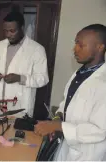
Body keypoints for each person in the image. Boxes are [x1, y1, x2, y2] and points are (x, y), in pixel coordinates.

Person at [34, 24, 106, 161]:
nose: (75, 49)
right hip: (68, 148)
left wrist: (59, 126)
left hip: (89, 154)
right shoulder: (79, 74)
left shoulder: (103, 82)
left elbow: (100, 131)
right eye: (75, 44)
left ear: (99, 47)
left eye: (81, 45)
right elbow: (66, 103)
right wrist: (58, 117)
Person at [0, 11, 49, 117]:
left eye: (12, 31)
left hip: (20, 105)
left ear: (22, 28)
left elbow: (43, 78)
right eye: (5, 31)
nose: (8, 34)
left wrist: (20, 78)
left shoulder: (37, 49)